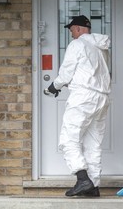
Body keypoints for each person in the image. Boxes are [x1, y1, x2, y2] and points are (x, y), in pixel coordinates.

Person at [47, 15, 111, 197]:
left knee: (69, 138)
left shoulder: (77, 44)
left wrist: (54, 86)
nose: (71, 34)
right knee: (93, 142)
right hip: (102, 97)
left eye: (71, 30)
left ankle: (83, 179)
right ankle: (94, 185)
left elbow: (67, 72)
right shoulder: (101, 48)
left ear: (79, 29)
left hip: (83, 97)